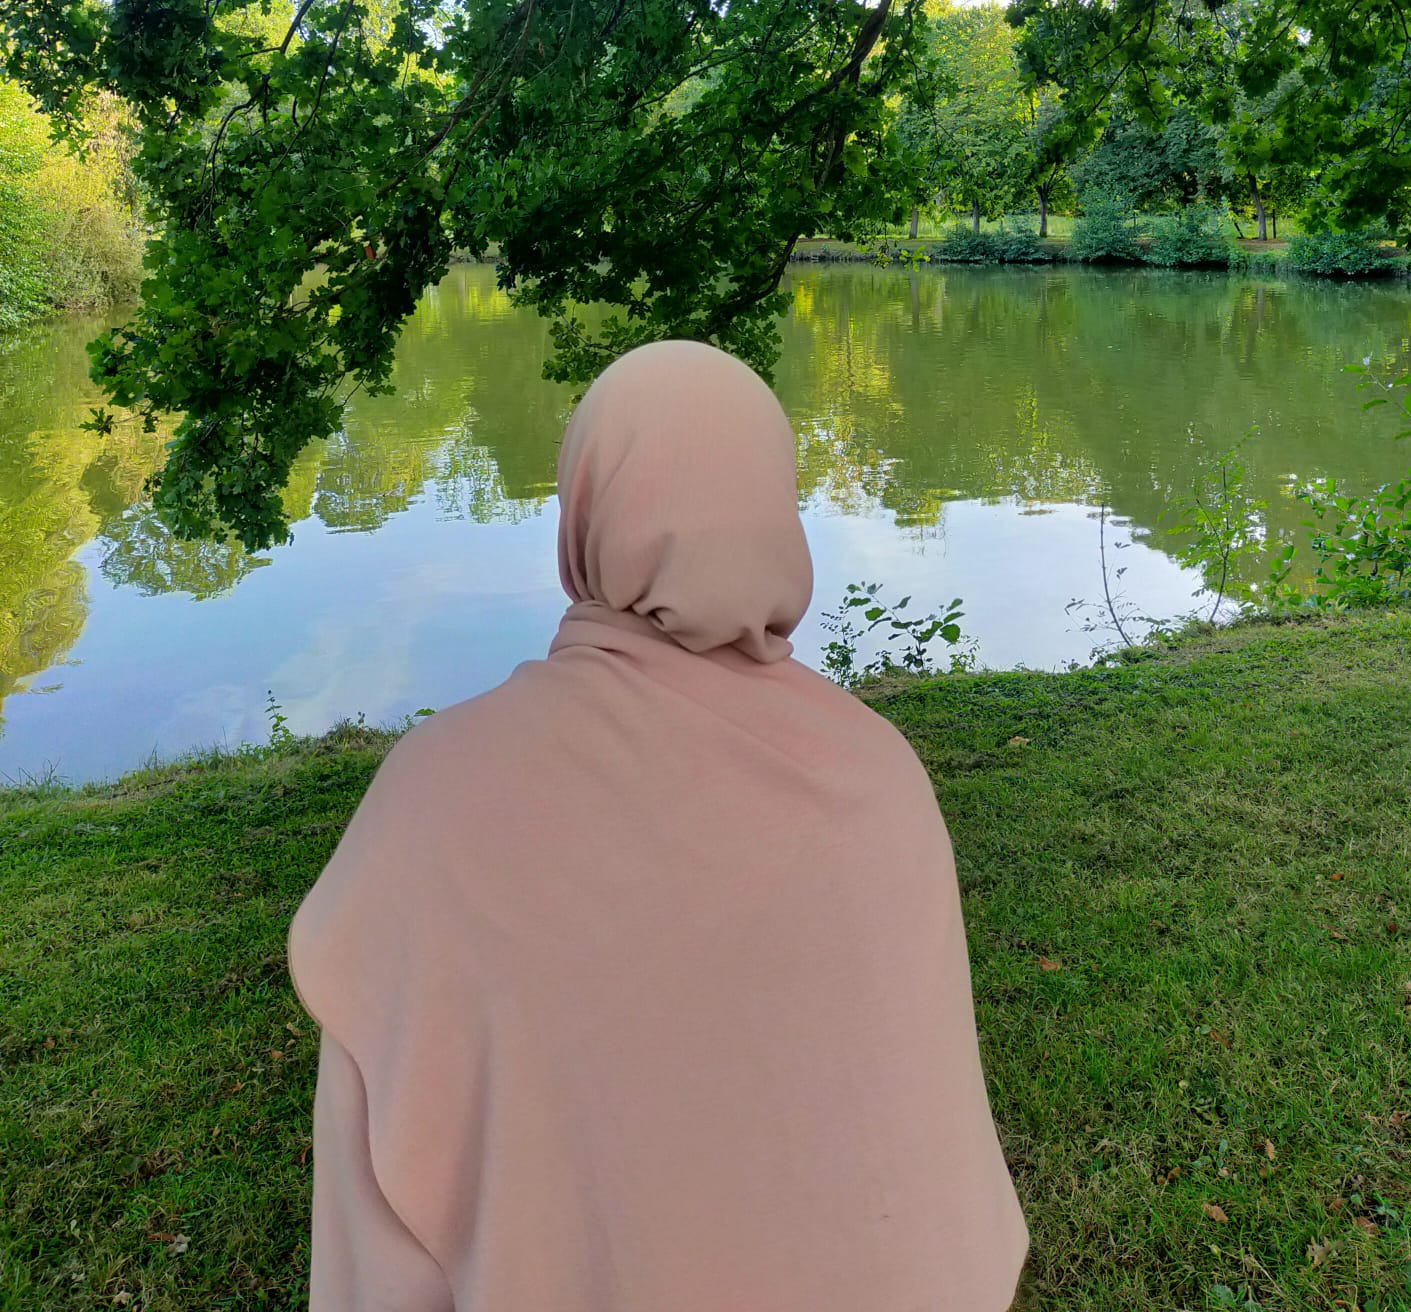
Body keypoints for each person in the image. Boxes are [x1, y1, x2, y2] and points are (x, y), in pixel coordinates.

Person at [288, 338, 1030, 1311]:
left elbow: (375, 1219)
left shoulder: (440, 793)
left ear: (585, 508)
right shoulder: (879, 772)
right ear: (777, 503)